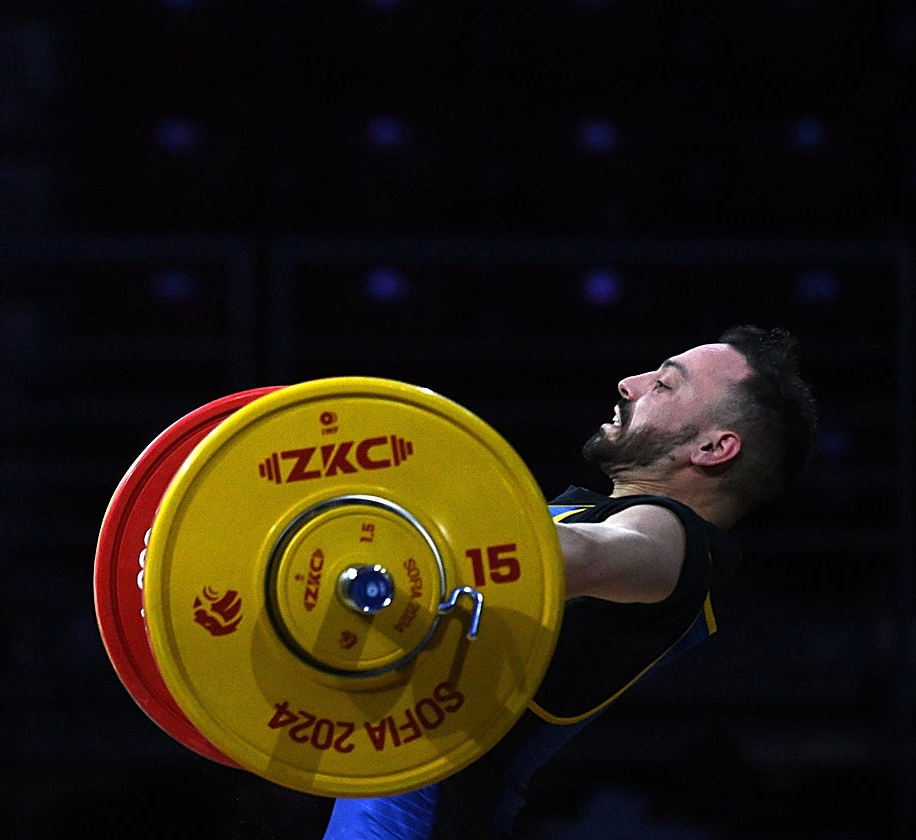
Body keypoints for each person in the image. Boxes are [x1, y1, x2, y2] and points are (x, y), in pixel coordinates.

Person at [322, 324, 819, 839]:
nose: (630, 383)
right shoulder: (585, 511)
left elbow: (585, 555)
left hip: (418, 819)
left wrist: (391, 515)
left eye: (665, 384)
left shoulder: (674, 543)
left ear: (714, 448)